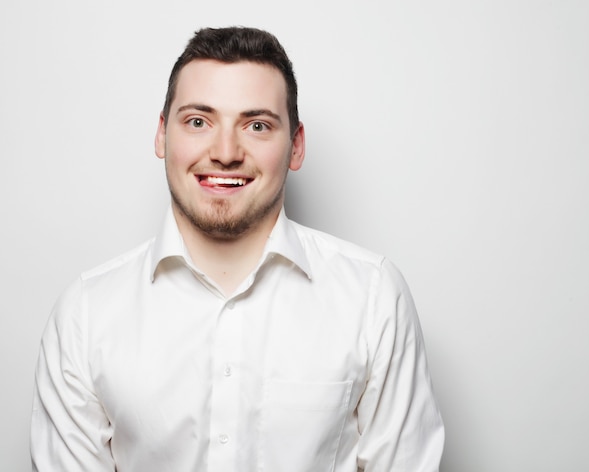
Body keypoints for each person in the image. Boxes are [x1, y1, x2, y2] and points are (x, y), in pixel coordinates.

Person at [31, 26, 444, 471]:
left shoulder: (373, 298)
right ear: (162, 135)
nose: (226, 152)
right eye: (197, 121)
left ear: (296, 145)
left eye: (257, 125)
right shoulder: (86, 314)